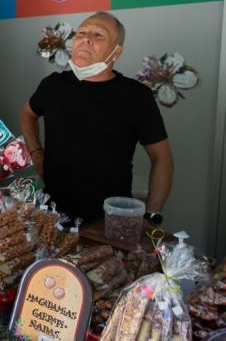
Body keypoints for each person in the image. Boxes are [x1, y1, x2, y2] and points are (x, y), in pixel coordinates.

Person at [19, 11, 173, 223]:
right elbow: (27, 114)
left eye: (98, 35)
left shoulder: (136, 96)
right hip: (52, 214)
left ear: (116, 52)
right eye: (81, 32)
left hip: (109, 219)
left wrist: (152, 215)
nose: (86, 39)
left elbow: (162, 158)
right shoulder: (53, 85)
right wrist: (36, 153)